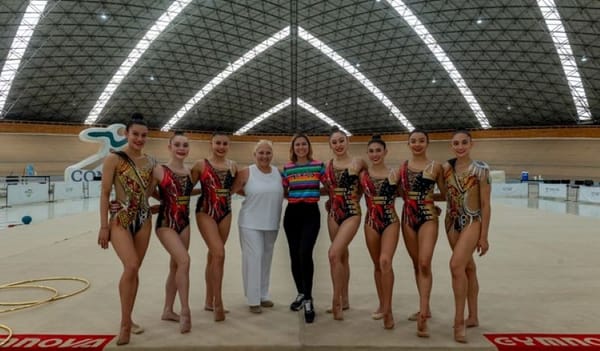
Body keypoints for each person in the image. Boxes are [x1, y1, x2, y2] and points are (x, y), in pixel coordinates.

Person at [97, 113, 157, 346]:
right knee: (130, 265)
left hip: (143, 219)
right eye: (135, 134)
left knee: (134, 270)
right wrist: (103, 226)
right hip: (120, 219)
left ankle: (129, 318)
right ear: (126, 134)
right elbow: (104, 193)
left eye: (144, 135)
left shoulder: (152, 162)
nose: (139, 139)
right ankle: (124, 324)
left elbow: (150, 191)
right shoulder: (113, 159)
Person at [442, 130, 491, 343]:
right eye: (456, 143)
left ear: (471, 144)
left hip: (472, 221)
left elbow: (486, 204)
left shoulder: (481, 169)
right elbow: (444, 195)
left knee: (455, 266)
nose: (460, 146)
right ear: (451, 146)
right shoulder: (446, 168)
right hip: (451, 222)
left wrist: (484, 236)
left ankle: (459, 320)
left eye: (464, 143)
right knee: (468, 268)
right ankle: (474, 316)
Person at [399, 129, 445, 337]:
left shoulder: (436, 167)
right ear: (408, 144)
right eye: (413, 141)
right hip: (408, 217)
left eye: (421, 141)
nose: (417, 144)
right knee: (417, 264)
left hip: (427, 216)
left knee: (425, 262)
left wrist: (431, 203)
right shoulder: (403, 168)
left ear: (427, 143)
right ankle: (423, 305)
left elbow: (444, 193)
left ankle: (423, 314)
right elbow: (400, 191)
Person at [231, 140, 283, 314]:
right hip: (250, 223)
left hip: (271, 223)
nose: (264, 156)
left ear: (272, 155)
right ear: (254, 155)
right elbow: (233, 190)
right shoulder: (246, 172)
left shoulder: (278, 173)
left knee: (266, 259)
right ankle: (253, 300)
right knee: (254, 258)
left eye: (268, 153)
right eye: (261, 153)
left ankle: (263, 295)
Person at [191, 132, 237, 322]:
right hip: (205, 211)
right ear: (211, 144)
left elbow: (237, 187)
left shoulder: (233, 166)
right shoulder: (200, 165)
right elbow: (185, 188)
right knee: (219, 253)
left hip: (225, 211)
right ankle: (218, 302)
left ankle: (209, 300)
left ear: (228, 145)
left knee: (214, 256)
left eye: (224, 143)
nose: (221, 146)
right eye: (217, 143)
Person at [321, 126, 366, 320]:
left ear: (347, 141)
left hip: (351, 212)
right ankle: (345, 298)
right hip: (333, 213)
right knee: (341, 256)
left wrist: (356, 198)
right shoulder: (327, 165)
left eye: (341, 141)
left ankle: (336, 300)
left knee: (333, 254)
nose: (338, 145)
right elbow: (328, 187)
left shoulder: (359, 162)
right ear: (330, 145)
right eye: (334, 142)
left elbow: (369, 184)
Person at [281, 134, 325, 323]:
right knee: (294, 255)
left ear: (308, 146)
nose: (301, 147)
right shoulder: (287, 168)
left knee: (305, 253)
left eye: (304, 144)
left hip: (311, 213)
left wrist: (315, 192)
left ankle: (308, 298)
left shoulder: (318, 165)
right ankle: (300, 292)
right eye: (297, 144)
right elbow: (283, 191)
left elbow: (329, 186)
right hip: (292, 214)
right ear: (293, 147)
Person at [359, 135, 400, 329]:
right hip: (371, 221)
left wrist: (432, 205)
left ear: (385, 152)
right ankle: (382, 304)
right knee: (377, 265)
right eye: (371, 151)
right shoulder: (362, 175)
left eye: (378, 150)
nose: (375, 154)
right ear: (367, 154)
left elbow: (409, 196)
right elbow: (350, 194)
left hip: (390, 219)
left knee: (385, 261)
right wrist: (331, 201)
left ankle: (389, 309)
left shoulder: (395, 174)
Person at [155, 132, 194, 333]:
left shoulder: (189, 172)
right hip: (165, 223)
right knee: (185, 261)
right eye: (177, 144)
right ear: (169, 147)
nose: (181, 148)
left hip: (184, 222)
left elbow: (187, 192)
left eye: (185, 145)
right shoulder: (159, 170)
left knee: (176, 266)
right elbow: (146, 192)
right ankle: (185, 310)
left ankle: (168, 310)